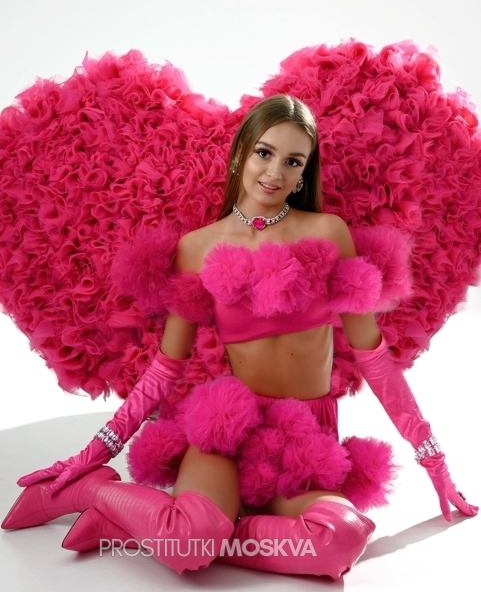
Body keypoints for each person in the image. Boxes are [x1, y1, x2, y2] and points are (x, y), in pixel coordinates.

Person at [2, 95, 477, 580]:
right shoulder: (197, 247)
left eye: (293, 161)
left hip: (305, 438)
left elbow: (375, 360)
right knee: (190, 540)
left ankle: (135, 528)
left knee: (341, 539)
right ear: (240, 155)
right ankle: (91, 492)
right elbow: (165, 368)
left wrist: (433, 459)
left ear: (304, 172)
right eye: (264, 153)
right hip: (229, 428)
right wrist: (93, 455)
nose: (274, 172)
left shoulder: (328, 233)